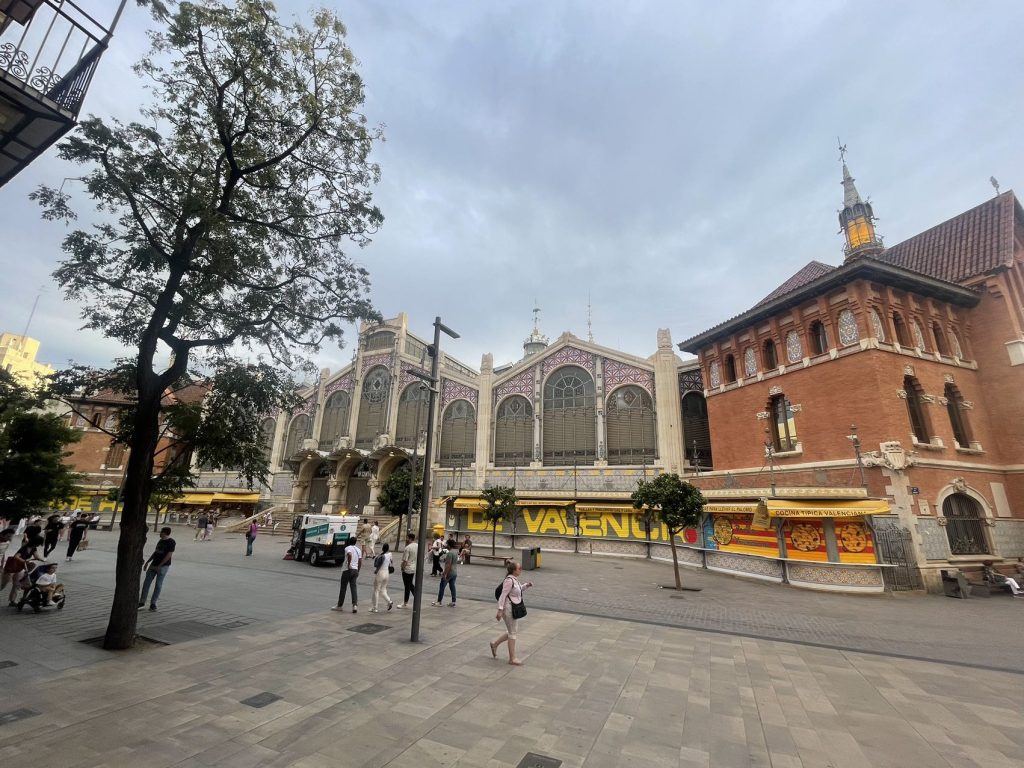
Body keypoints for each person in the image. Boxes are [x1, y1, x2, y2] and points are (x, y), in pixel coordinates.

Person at [490, 560, 533, 666]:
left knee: (512, 631)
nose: (521, 569)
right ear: (514, 570)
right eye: (519, 568)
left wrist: (526, 585)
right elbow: (503, 595)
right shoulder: (509, 580)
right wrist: (500, 610)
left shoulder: (515, 579)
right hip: (508, 609)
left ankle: (495, 644)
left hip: (512, 607)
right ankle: (512, 658)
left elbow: (517, 591)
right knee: (512, 633)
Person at [139, 527, 176, 611]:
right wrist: (148, 562)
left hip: (163, 566)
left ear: (165, 533)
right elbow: (156, 552)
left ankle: (153, 603)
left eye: (161, 532)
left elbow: (169, 555)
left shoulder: (171, 542)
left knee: (158, 585)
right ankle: (142, 602)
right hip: (153, 564)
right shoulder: (160, 541)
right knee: (146, 583)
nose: (160, 533)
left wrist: (160, 565)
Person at [332, 536, 362, 613]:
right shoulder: (359, 550)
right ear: (355, 542)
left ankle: (339, 605)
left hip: (347, 570)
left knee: (343, 588)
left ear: (349, 541)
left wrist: (348, 564)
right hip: (355, 570)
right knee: (353, 588)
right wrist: (358, 570)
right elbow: (360, 561)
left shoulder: (347, 548)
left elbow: (349, 554)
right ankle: (355, 605)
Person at [432, 538, 459, 607]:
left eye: (447, 544)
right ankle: (453, 602)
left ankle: (439, 601)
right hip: (454, 572)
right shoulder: (455, 552)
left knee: (442, 586)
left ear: (449, 545)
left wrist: (445, 574)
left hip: (449, 572)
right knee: (452, 586)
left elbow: (448, 565)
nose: (446, 545)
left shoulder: (450, 553)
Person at [370, 543, 394, 612]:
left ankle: (375, 608)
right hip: (387, 573)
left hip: (380, 573)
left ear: (383, 548)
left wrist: (378, 556)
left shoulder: (381, 556)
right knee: (383, 589)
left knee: (376, 590)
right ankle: (389, 601)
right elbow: (391, 562)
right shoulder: (390, 554)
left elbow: (376, 565)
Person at [399, 533, 417, 608]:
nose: (406, 539)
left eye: (407, 538)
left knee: (407, 586)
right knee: (410, 584)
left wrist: (402, 568)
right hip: (413, 568)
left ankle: (405, 602)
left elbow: (405, 561)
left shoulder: (408, 548)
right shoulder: (417, 545)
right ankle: (416, 597)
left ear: (409, 538)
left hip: (407, 569)